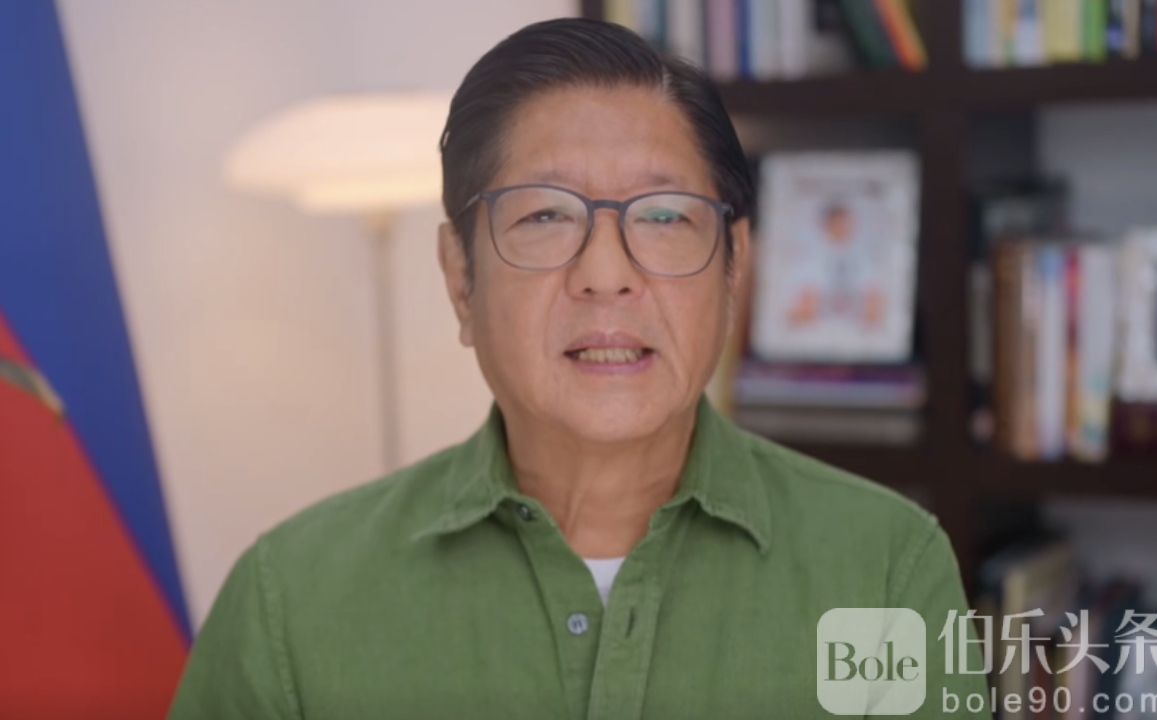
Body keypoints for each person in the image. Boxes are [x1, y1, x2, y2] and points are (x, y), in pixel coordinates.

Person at [167, 17, 990, 719]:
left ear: (734, 269)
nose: (606, 273)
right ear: (460, 280)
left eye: (662, 215)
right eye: (546, 216)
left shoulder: (885, 568)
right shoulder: (290, 601)